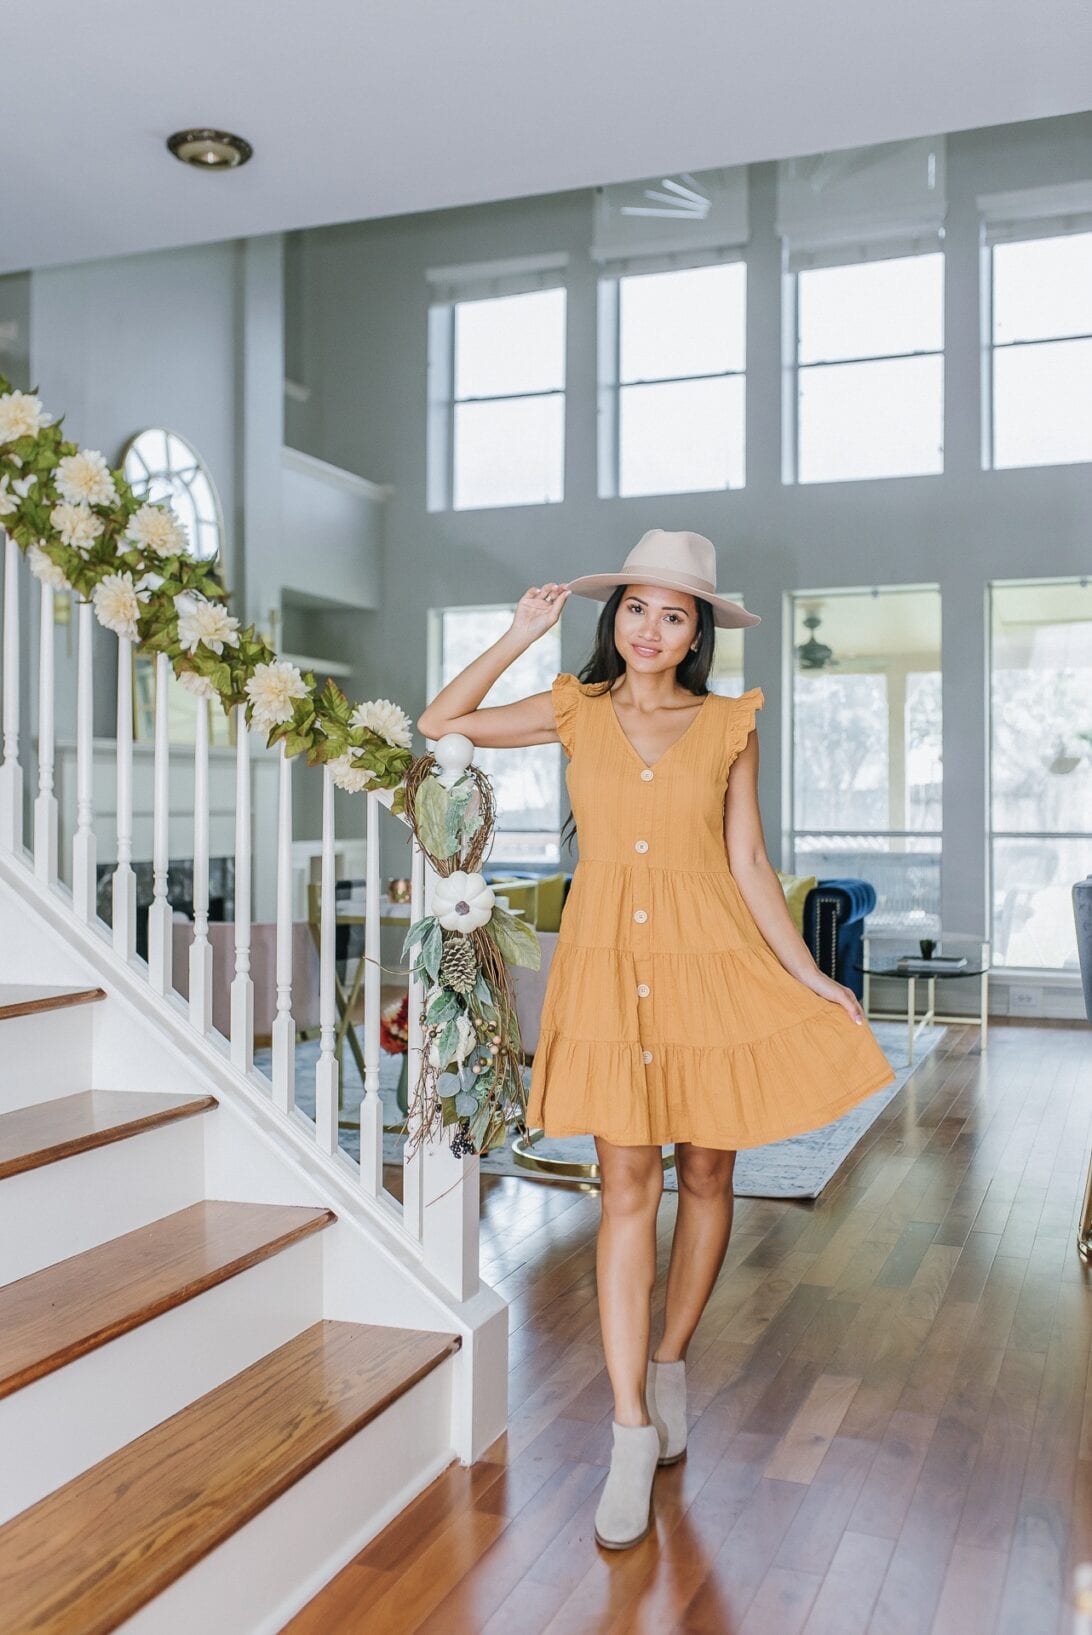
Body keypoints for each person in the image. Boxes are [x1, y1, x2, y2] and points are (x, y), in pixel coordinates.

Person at [418, 529, 895, 1551]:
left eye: (675, 614)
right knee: (625, 1185)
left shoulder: (728, 724)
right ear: (614, 616)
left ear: (697, 635)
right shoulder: (573, 708)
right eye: (637, 608)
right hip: (608, 972)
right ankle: (631, 1426)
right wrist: (519, 632)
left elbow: (752, 863)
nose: (651, 629)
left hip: (711, 963)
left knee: (710, 1177)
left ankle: (671, 1356)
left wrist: (814, 977)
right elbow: (439, 720)